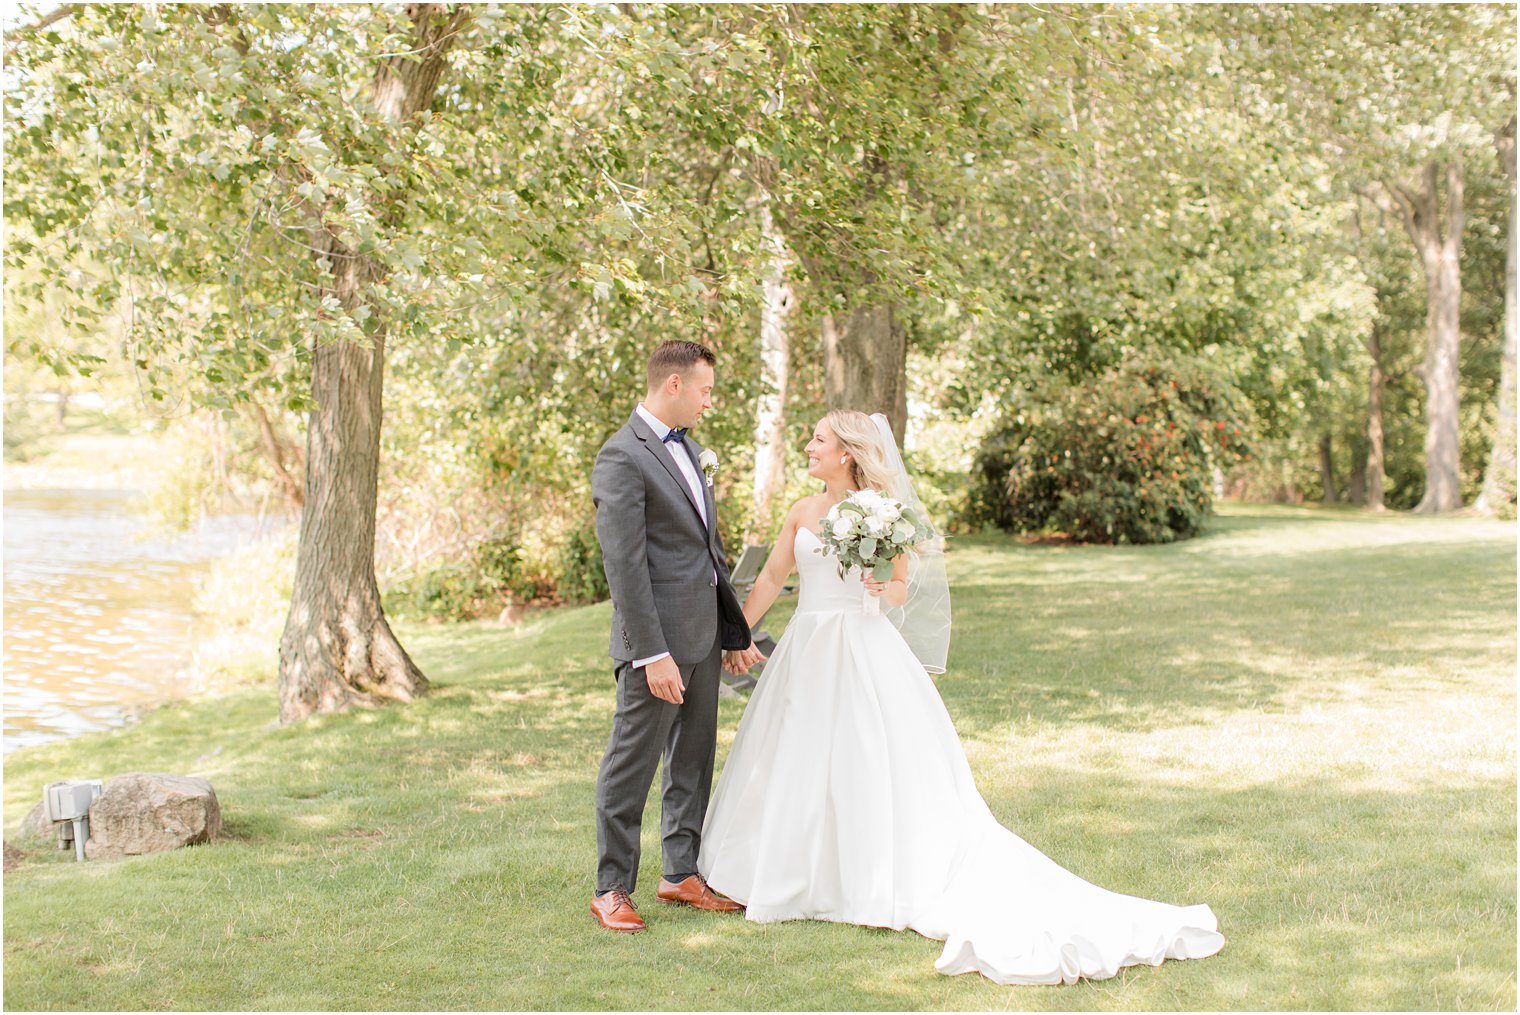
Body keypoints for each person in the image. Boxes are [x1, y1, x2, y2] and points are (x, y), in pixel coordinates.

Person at [698, 408, 1226, 984]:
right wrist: (738, 633)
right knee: (796, 754)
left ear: (846, 452)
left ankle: (868, 877)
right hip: (808, 648)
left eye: (818, 439)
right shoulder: (802, 512)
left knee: (867, 757)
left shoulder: (884, 514)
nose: (808, 446)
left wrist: (882, 587)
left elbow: (900, 587)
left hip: (863, 648)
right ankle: (790, 870)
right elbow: (772, 578)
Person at [588, 341, 765, 933]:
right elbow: (625, 567)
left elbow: (708, 556)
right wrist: (651, 652)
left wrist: (733, 631)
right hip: (656, 647)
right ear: (673, 386)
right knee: (631, 765)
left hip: (704, 638)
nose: (709, 402)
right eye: (705, 390)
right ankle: (611, 887)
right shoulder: (620, 458)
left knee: (692, 761)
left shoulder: (688, 449)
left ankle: (680, 873)